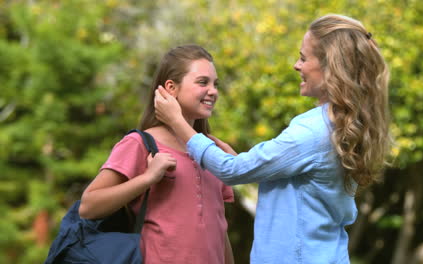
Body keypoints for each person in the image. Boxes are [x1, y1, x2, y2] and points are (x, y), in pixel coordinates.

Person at [154, 14, 391, 264]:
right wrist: (241, 160)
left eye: (303, 57)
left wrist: (177, 122)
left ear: (329, 66)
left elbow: (230, 171)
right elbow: (298, 187)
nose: (296, 66)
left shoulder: (311, 132)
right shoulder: (338, 123)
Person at [78, 44, 235, 264]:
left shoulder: (213, 152)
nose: (213, 91)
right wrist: (148, 178)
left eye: (215, 84)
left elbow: (220, 230)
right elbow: (88, 207)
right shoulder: (139, 144)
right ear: (171, 88)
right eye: (202, 82)